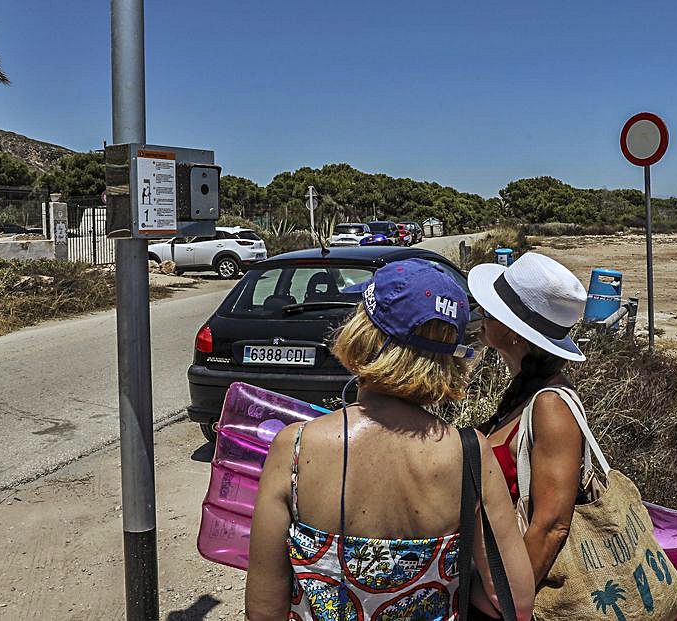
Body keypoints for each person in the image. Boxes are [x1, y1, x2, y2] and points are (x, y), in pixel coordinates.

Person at [246, 258, 535, 621]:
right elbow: (516, 599)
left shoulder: (297, 448)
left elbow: (263, 609)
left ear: (364, 335)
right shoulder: (471, 453)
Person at [467, 252, 589, 604]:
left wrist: (502, 604)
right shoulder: (527, 392)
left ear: (517, 333)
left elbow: (552, 526)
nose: (482, 313)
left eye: (492, 310)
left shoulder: (551, 406)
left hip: (509, 594)